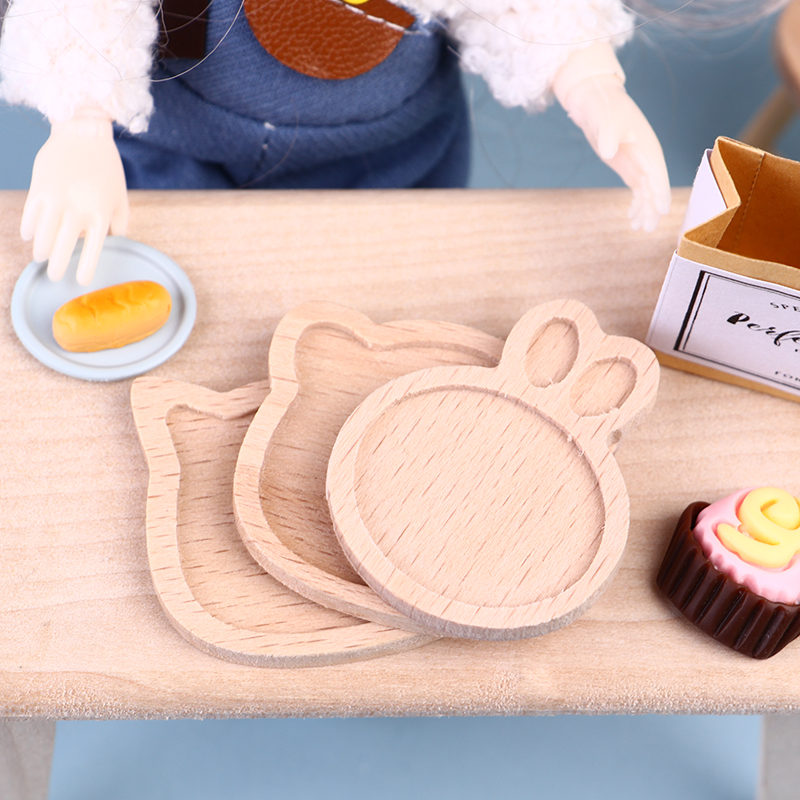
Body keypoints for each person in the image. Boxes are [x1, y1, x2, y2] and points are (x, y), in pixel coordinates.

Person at [0, 0, 779, 285]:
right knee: (179, 281)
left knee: (383, 295)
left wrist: (590, 82)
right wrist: (80, 123)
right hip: (183, 145)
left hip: (387, 157)